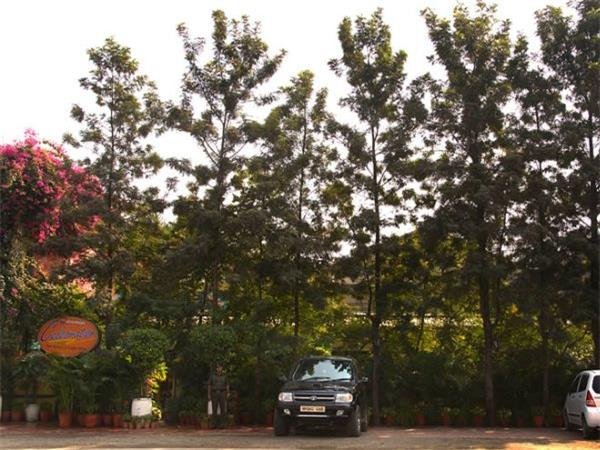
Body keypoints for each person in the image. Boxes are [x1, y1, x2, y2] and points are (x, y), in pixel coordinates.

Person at [208, 364, 229, 428]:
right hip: (214, 393)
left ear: (222, 368)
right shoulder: (212, 376)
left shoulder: (225, 376)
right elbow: (209, 385)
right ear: (216, 369)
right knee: (214, 409)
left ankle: (222, 424)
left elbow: (227, 385)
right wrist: (209, 394)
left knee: (223, 409)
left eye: (220, 367)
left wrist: (228, 392)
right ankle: (214, 424)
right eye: (218, 367)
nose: (219, 369)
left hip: (222, 393)